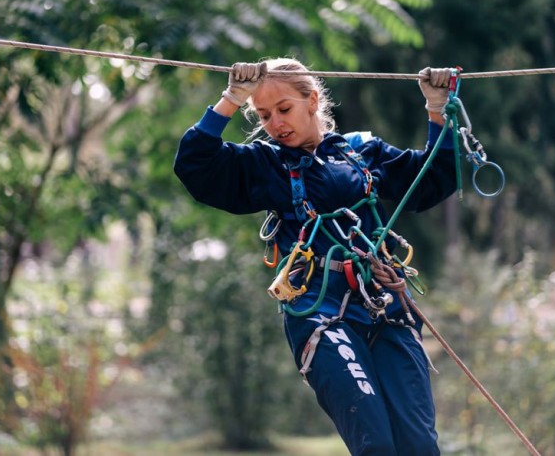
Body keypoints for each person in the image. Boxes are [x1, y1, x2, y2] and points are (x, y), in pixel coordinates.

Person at [174, 58, 457, 456]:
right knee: (375, 443)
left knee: (418, 446)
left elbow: (433, 177)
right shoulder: (266, 163)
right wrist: (231, 98)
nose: (275, 124)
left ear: (313, 101)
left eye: (284, 110)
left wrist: (437, 108)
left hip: (385, 307)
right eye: (264, 115)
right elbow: (195, 167)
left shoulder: (362, 153)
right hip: (319, 312)